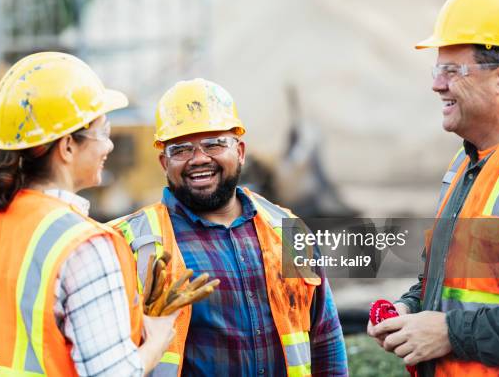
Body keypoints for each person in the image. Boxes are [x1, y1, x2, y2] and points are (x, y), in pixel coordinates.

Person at [0, 52, 176, 376]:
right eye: (103, 131)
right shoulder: (84, 246)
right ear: (68, 145)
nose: (109, 146)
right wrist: (156, 342)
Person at [110, 78, 347, 376]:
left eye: (214, 144)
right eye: (181, 149)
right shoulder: (131, 243)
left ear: (241, 151)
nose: (198, 159)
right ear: (163, 162)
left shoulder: (287, 230)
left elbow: (324, 338)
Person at [367, 0, 499, 376]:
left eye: (453, 71)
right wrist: (410, 308)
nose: (437, 85)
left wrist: (449, 332)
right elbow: (448, 281)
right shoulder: (466, 161)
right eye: (436, 70)